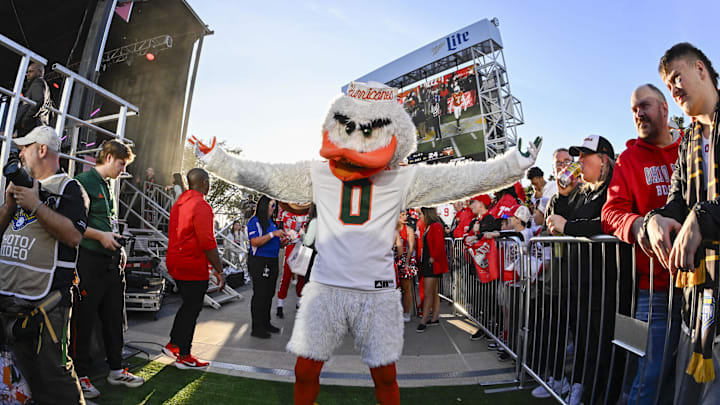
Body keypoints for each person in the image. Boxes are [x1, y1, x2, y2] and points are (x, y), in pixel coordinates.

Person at [645, 43, 720, 404]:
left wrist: (704, 217)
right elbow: (678, 201)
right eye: (668, 83)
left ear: (701, 70)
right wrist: (655, 220)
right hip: (702, 295)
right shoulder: (688, 140)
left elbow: (698, 211)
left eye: (677, 77)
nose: (673, 89)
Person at [601, 83, 682, 404]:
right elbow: (611, 212)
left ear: (665, 107)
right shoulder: (629, 159)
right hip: (655, 291)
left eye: (645, 106)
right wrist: (640, 226)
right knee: (649, 376)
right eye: (634, 110)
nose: (638, 114)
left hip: (702, 286)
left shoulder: (691, 147)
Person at [0, 126, 89, 403]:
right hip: (8, 302)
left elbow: (74, 236)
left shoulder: (70, 189)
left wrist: (36, 205)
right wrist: (8, 207)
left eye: (25, 148)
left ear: (41, 149)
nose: (20, 154)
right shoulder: (17, 187)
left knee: (53, 378)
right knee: (16, 377)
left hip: (46, 306)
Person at [545, 135, 622, 405]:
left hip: (604, 283)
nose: (578, 163)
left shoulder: (614, 186)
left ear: (603, 160)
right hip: (580, 281)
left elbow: (607, 224)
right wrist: (562, 196)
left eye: (584, 156)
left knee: (602, 345)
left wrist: (569, 227)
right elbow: (556, 220)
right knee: (583, 341)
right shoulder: (582, 191)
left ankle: (598, 394)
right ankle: (581, 386)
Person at [72, 140, 144, 399]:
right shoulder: (82, 182)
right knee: (84, 319)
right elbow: (73, 226)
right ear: (110, 157)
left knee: (114, 319)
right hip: (89, 262)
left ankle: (116, 368)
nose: (122, 170)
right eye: (121, 164)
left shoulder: (108, 186)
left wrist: (116, 245)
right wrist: (102, 237)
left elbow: (108, 224)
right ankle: (80, 375)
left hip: (111, 263)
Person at [163, 168, 225, 369]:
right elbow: (207, 241)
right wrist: (220, 270)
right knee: (192, 308)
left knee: (187, 305)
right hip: (191, 263)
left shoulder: (180, 202)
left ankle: (174, 344)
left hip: (176, 260)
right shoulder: (201, 205)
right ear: (204, 183)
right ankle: (184, 355)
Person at [530, 149, 574, 399]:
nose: (562, 167)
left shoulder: (574, 194)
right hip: (552, 280)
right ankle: (556, 378)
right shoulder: (555, 196)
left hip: (572, 278)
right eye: (558, 163)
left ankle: (570, 382)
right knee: (551, 330)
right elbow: (544, 228)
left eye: (567, 162)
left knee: (566, 331)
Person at [246, 196, 286, 338]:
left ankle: (266, 323)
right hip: (260, 261)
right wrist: (272, 234)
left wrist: (283, 241)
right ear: (264, 206)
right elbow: (255, 242)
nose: (274, 209)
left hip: (272, 260)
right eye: (272, 205)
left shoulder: (271, 222)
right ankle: (257, 328)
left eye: (275, 206)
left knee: (269, 294)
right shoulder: (254, 221)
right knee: (260, 295)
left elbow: (273, 241)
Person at [416, 207, 448, 333]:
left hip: (432, 265)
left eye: (421, 215)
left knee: (429, 293)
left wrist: (432, 258)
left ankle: (424, 320)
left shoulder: (435, 226)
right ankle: (434, 317)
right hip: (429, 263)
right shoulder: (431, 226)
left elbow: (439, 245)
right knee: (433, 292)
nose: (420, 217)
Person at [276, 203, 310, 319]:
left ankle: (299, 301)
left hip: (303, 245)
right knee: (286, 274)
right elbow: (288, 231)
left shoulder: (309, 213)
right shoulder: (286, 212)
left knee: (301, 276)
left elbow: (308, 229)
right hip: (292, 245)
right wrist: (299, 234)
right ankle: (280, 304)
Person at [14, 62, 53, 137]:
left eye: (31, 71)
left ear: (40, 72)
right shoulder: (40, 84)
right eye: (27, 72)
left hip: (30, 126)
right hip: (33, 125)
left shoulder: (38, 82)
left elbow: (39, 101)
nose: (28, 74)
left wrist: (26, 120)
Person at [394, 210, 417, 322]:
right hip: (392, 261)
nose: (405, 217)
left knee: (406, 288)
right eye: (402, 215)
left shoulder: (409, 229)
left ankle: (406, 312)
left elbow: (411, 247)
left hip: (404, 260)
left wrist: (407, 262)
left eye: (405, 215)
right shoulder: (392, 229)